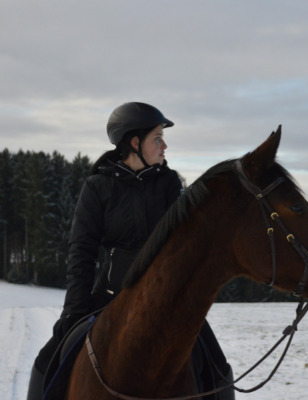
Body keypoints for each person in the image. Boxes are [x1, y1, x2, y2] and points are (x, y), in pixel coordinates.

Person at [27, 102, 233, 400]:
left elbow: (183, 247)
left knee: (217, 366)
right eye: (157, 138)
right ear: (134, 143)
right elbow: (82, 252)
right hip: (108, 299)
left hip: (166, 301)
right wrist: (74, 310)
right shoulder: (98, 187)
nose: (165, 146)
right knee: (46, 362)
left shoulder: (169, 183)